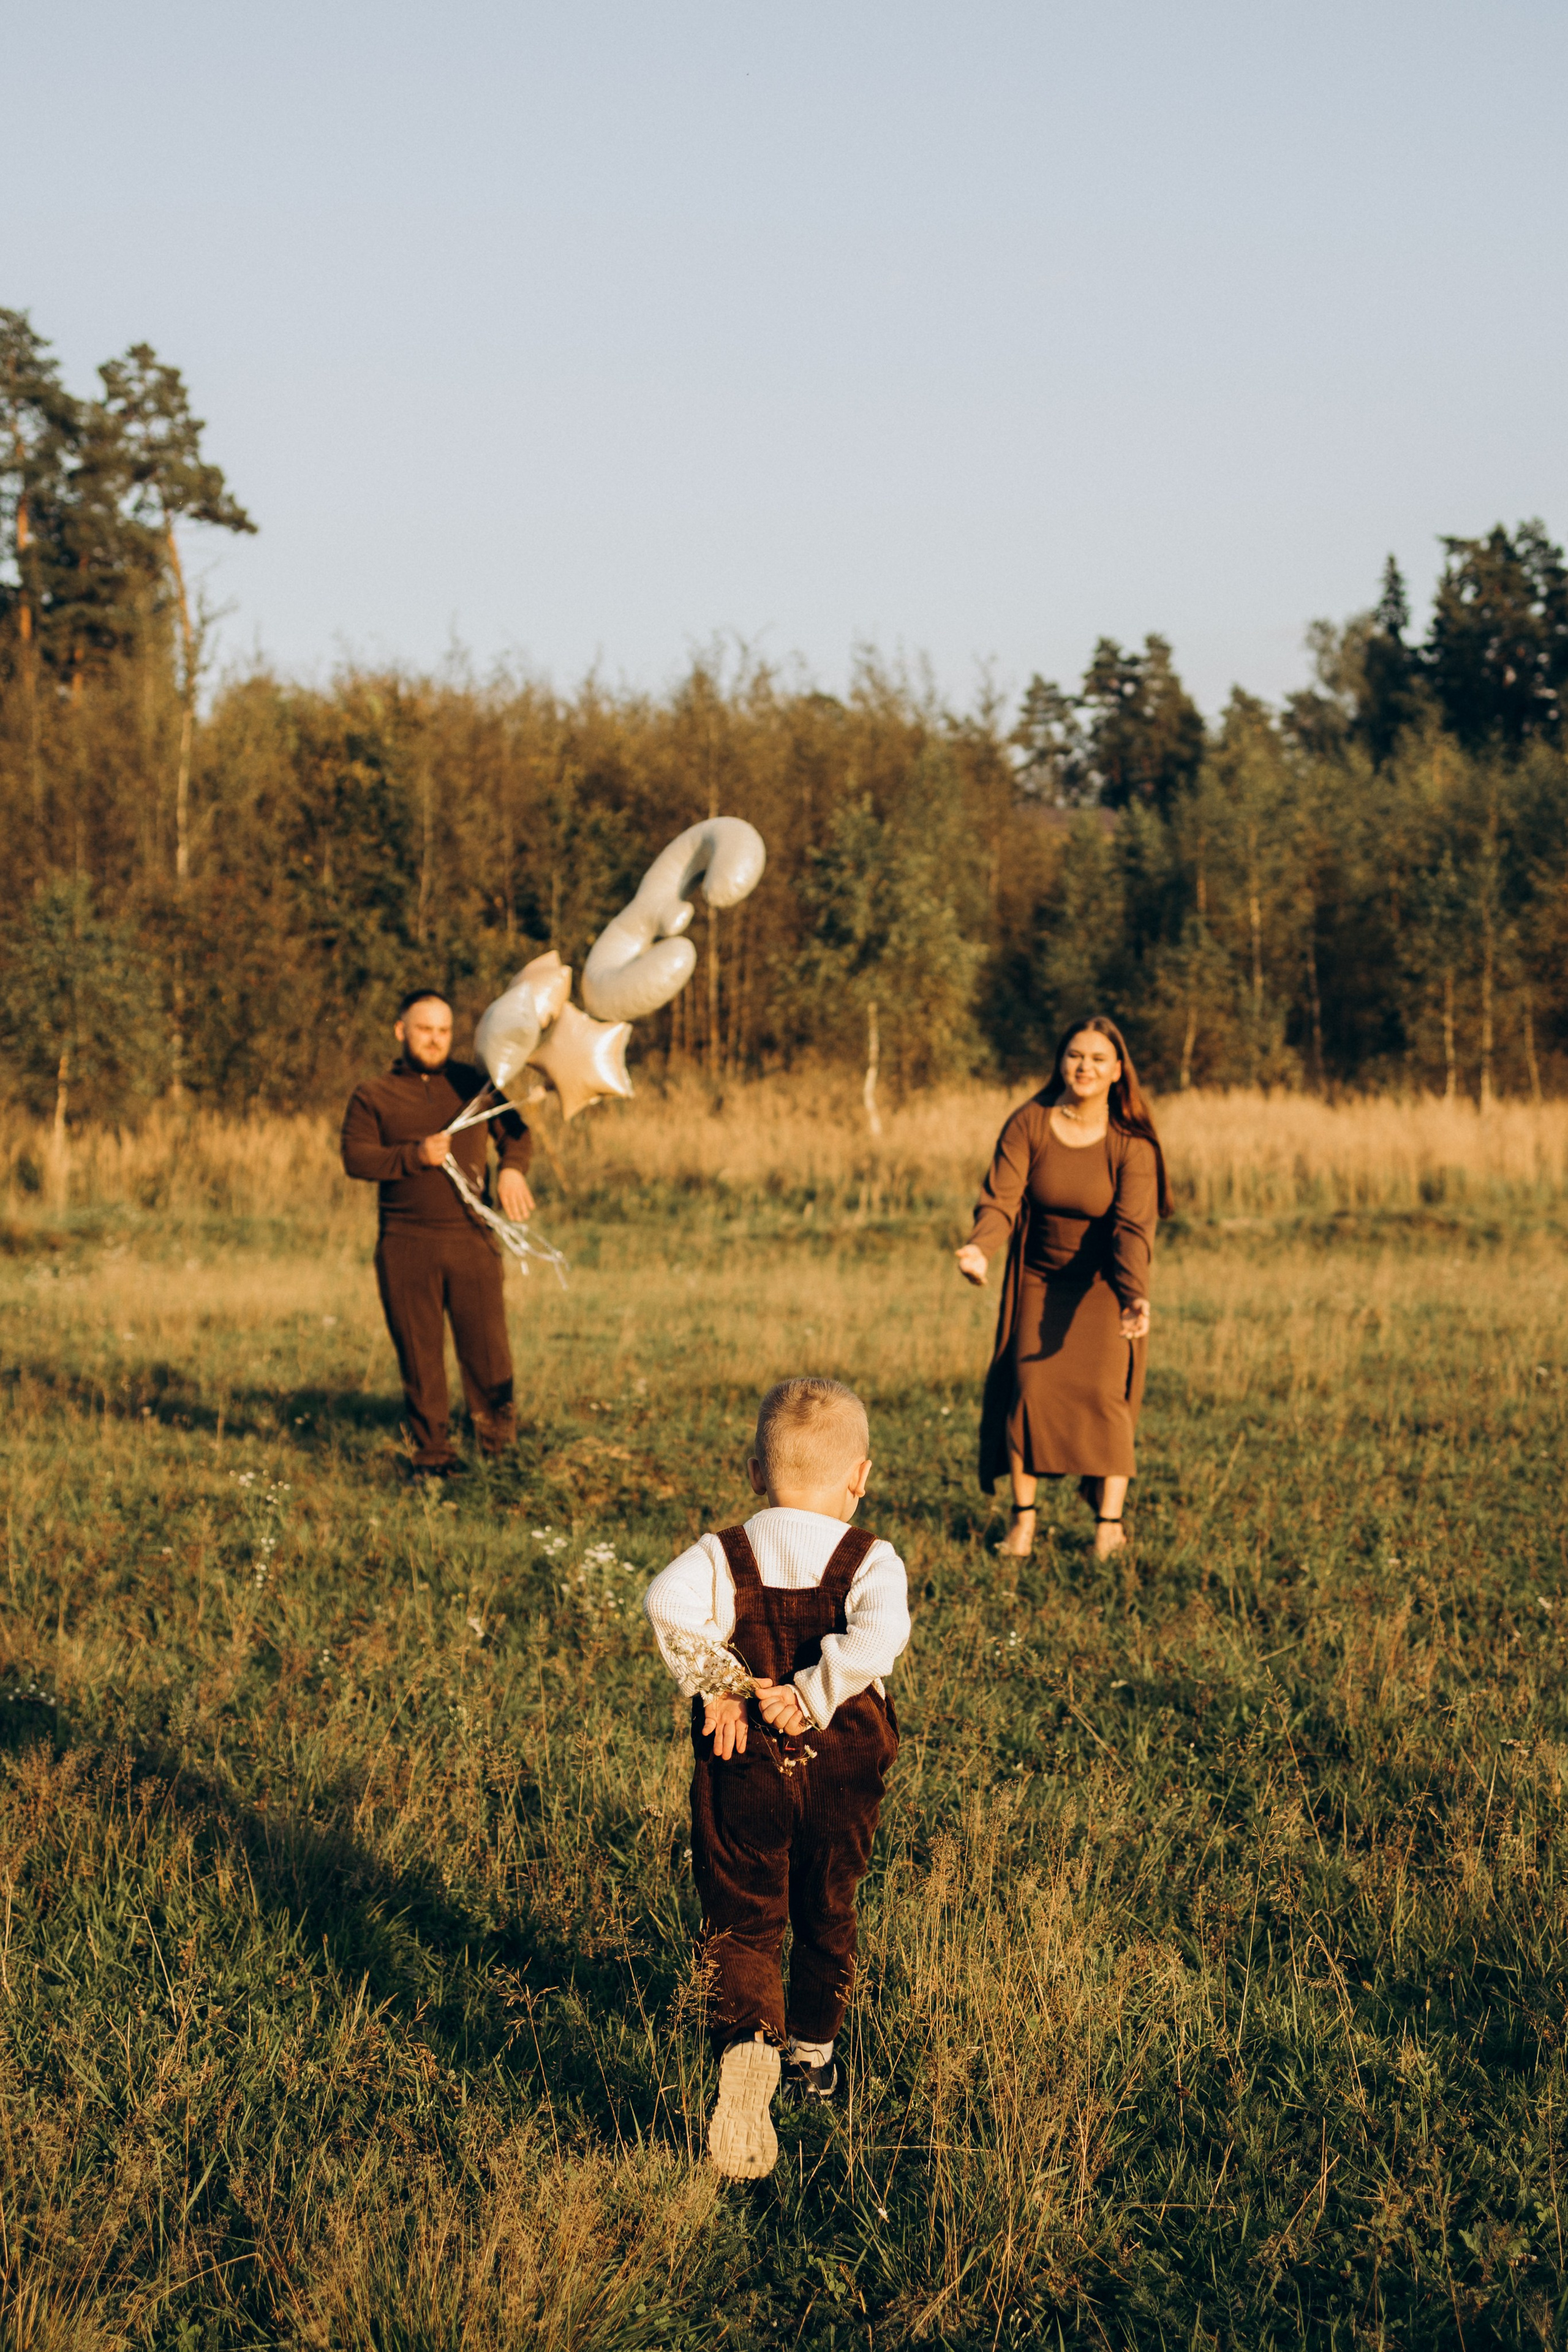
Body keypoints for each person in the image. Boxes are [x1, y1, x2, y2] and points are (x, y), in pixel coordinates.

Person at [644, 1376, 910, 2180]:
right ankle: (812, 2060)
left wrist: (720, 1682)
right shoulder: (871, 1558)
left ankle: (748, 2041)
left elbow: (666, 1602)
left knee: (746, 1915)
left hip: (742, 1760)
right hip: (844, 1758)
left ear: (753, 1472)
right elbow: (880, 1639)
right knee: (828, 1908)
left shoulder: (724, 1554)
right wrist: (816, 1692)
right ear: (860, 1476)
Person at [956, 1016, 1170, 1559]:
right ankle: (1023, 1525)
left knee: (1106, 1398)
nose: (1085, 1067)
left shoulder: (1132, 1146)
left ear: (1119, 1071)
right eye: (1076, 1055)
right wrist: (981, 1246)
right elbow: (1001, 1198)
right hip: (1037, 1277)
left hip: (1104, 1286)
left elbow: (1131, 1231)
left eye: (1099, 1059)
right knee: (1028, 1391)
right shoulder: (1030, 1122)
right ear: (1061, 1061)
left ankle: (1108, 1528)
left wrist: (1134, 1295)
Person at [341, 987, 535, 1479]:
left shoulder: (475, 1084)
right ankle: (433, 1459)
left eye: (444, 1030)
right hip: (406, 1244)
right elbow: (356, 1158)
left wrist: (512, 1169)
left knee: (488, 1351)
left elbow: (517, 1133)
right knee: (420, 1355)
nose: (435, 1039)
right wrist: (414, 1156)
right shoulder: (374, 1094)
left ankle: (501, 1455)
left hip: (472, 1239)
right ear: (401, 1031)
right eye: (425, 1029)